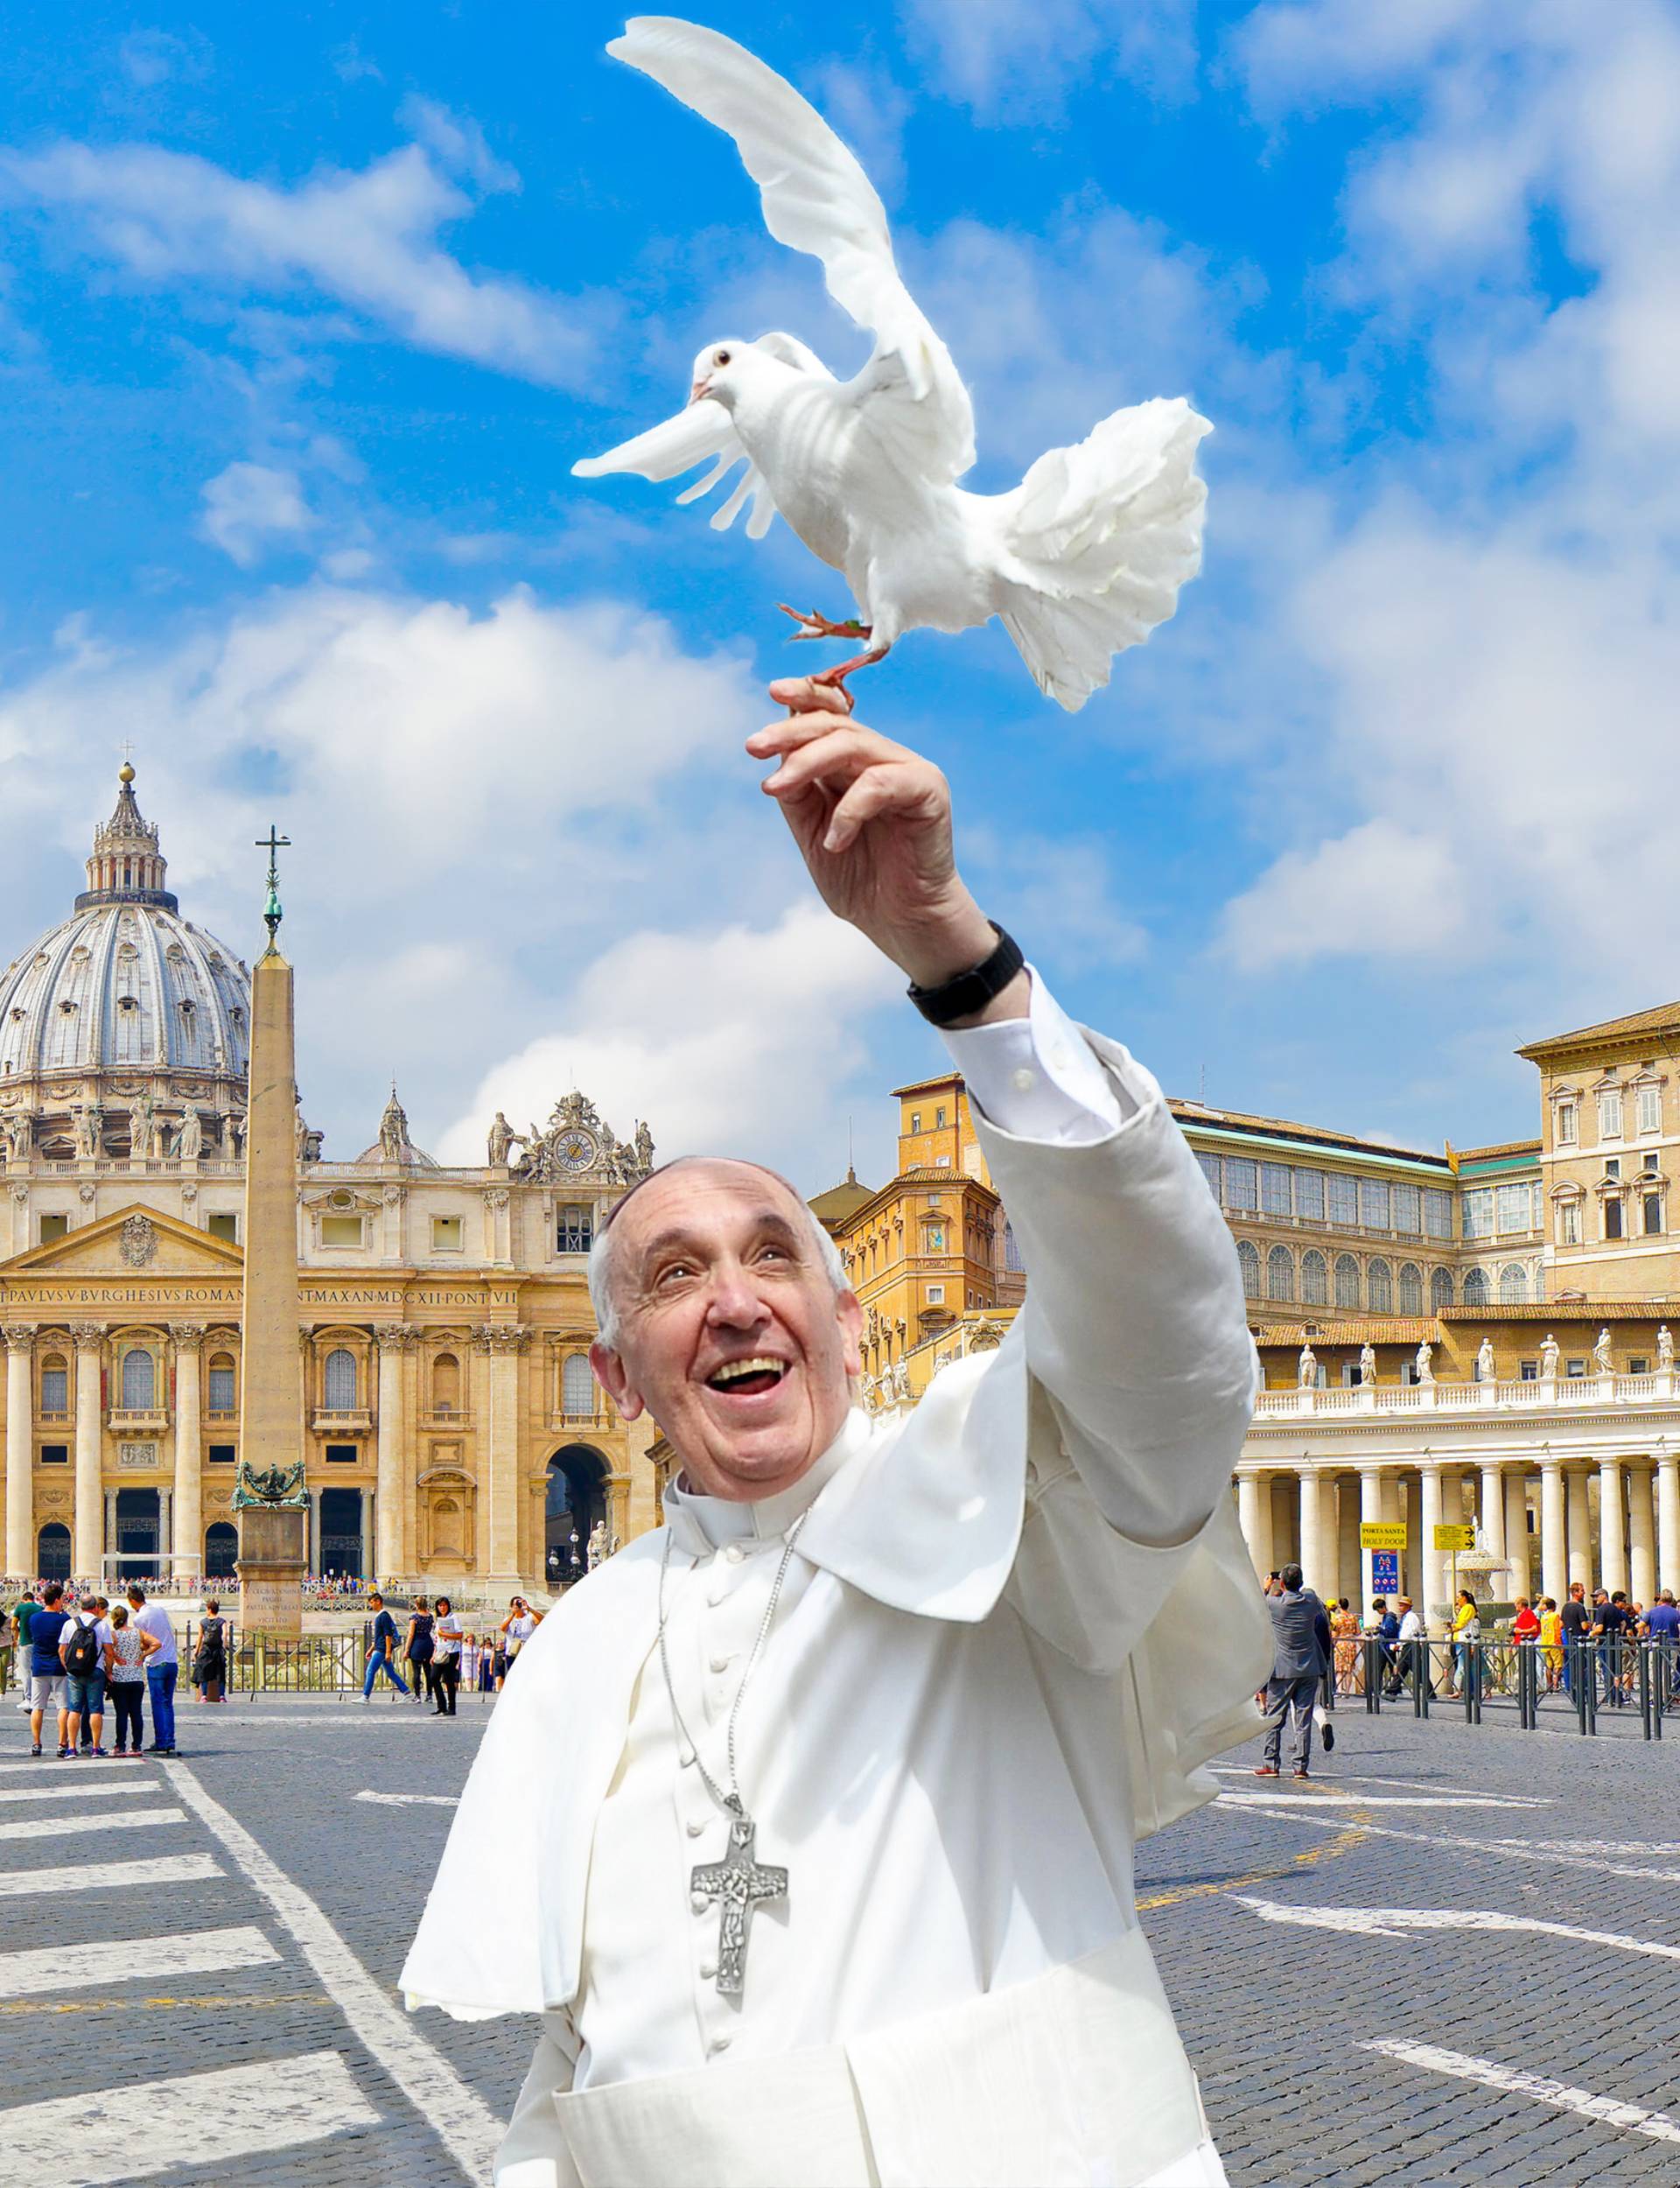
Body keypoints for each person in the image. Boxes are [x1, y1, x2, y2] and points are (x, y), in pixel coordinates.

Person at [401, 681, 1270, 2188]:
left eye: (772, 1256)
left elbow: (1164, 1343)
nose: (733, 1303)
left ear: (852, 1324)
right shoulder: (593, 1639)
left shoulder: (1017, 1512)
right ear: (620, 1382)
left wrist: (952, 953)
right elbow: (576, 2063)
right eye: (675, 1278)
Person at [1256, 1562, 1329, 1778]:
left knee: (1274, 1717)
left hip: (1283, 1669)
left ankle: (1271, 1764)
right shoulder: (1310, 1602)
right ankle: (1300, 1767)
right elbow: (1311, 1593)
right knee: (1303, 1719)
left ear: (1283, 1583)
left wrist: (1267, 1586)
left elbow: (1254, 1603)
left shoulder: (1274, 1604)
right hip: (1309, 1667)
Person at [126, 1586, 179, 1754]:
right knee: (167, 1704)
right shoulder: (160, 1610)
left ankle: (162, 1741)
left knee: (158, 1703)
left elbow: (145, 1642)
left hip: (156, 1663)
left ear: (133, 1601)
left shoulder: (139, 1619)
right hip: (172, 1661)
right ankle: (169, 1739)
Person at [106, 1602, 159, 1755]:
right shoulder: (138, 1633)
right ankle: (136, 1745)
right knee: (136, 1713)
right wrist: (142, 1655)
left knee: (121, 1713)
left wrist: (112, 1665)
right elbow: (157, 1643)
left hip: (120, 1678)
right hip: (136, 1677)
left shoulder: (113, 1635)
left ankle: (120, 1745)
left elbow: (108, 1654)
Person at [60, 1596, 108, 1756]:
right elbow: (109, 1652)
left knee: (74, 1710)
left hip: (74, 1672)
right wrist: (108, 1671)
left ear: (81, 1606)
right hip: (96, 1670)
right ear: (96, 1607)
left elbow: (62, 1651)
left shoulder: (69, 1623)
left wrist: (69, 1667)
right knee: (95, 1710)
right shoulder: (102, 1625)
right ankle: (95, 1747)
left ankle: (72, 1747)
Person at [27, 1581, 71, 1757]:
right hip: (59, 1666)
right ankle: (62, 1744)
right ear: (57, 1600)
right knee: (63, 1707)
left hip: (39, 1665)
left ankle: (36, 1743)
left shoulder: (34, 1618)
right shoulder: (64, 1619)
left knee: (37, 1707)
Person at [363, 1592, 410, 1699]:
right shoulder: (380, 1616)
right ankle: (407, 1692)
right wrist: (370, 1650)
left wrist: (388, 1652)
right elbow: (379, 1636)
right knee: (391, 1673)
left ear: (378, 1601)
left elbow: (387, 1634)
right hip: (381, 1648)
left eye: (372, 1602)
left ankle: (365, 1696)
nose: (371, 1605)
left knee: (370, 1671)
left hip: (382, 1650)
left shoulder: (383, 1616)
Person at [9, 1585, 39, 1714]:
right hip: (38, 1644)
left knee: (25, 1672)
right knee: (36, 1672)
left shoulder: (20, 1607)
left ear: (23, 1599)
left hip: (25, 1642)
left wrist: (16, 1637)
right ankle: (38, 1698)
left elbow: (13, 1625)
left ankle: (28, 1698)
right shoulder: (40, 1608)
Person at [496, 1596, 537, 1688]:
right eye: (516, 1604)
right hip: (512, 1651)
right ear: (511, 1606)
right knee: (513, 1674)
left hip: (527, 1650)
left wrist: (529, 1609)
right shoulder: (509, 1619)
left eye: (520, 1603)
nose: (519, 1606)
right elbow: (503, 1628)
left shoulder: (530, 1617)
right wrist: (513, 1614)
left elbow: (542, 1619)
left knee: (527, 1674)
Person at [1559, 1581, 1591, 1697]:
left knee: (1570, 1665)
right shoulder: (1579, 1607)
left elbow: (1561, 1624)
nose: (1584, 1593)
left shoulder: (1565, 1606)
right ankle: (1584, 1692)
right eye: (1582, 1590)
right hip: (1579, 1640)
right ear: (1575, 1592)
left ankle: (1571, 1689)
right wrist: (1590, 1624)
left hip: (1568, 1639)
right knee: (1583, 1667)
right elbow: (1584, 1626)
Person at [192, 1599, 228, 1704]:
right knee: (220, 1673)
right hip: (217, 1649)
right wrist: (224, 1646)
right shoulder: (222, 1621)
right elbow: (225, 1634)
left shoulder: (203, 1622)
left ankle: (204, 1696)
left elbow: (200, 1637)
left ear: (210, 1609)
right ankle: (221, 1696)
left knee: (204, 1672)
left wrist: (196, 1651)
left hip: (206, 1649)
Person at [431, 1596, 462, 1717]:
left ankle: (451, 1707)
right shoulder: (438, 1620)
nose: (442, 1608)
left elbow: (459, 1635)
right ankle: (441, 1705)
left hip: (452, 1651)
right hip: (440, 1651)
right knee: (434, 1677)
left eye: (444, 1605)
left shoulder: (453, 1618)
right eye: (440, 1606)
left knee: (449, 1680)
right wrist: (434, 1653)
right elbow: (437, 1638)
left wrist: (444, 1634)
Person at [1446, 1589, 1480, 1697]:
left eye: (1458, 1597)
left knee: (1462, 1666)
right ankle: (1471, 1691)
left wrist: (1452, 1627)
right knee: (1466, 1666)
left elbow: (1461, 1624)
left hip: (1464, 1640)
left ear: (1464, 1598)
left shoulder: (1468, 1608)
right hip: (1460, 1639)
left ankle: (1459, 1690)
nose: (1457, 1600)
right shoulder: (1464, 1609)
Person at [404, 1595, 435, 1707]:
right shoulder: (430, 1617)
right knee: (428, 1671)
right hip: (428, 1644)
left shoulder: (414, 1618)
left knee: (416, 1672)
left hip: (417, 1644)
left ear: (416, 1605)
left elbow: (411, 1634)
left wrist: (406, 1649)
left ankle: (417, 1696)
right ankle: (430, 1695)